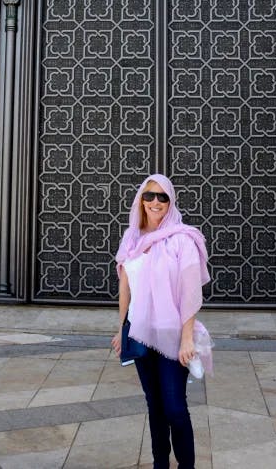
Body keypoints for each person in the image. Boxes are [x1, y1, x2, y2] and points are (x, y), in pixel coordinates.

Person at [111, 174, 212, 469]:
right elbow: (125, 289)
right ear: (140, 200)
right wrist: (122, 330)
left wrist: (187, 337)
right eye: (149, 196)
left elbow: (190, 292)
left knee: (175, 409)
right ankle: (160, 465)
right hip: (141, 334)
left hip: (171, 336)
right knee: (154, 407)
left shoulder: (183, 239)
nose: (155, 202)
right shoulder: (132, 238)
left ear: (171, 202)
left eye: (162, 197)